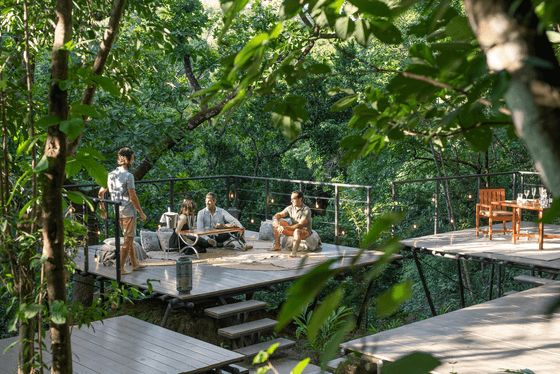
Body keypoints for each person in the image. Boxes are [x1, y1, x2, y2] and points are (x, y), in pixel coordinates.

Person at [99, 147, 147, 275]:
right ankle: (120, 268)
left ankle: (135, 263)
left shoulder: (111, 175)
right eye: (132, 158)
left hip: (117, 211)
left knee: (128, 239)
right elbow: (133, 197)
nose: (133, 161)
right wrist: (141, 213)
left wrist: (102, 208)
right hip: (128, 212)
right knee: (127, 240)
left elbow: (101, 192)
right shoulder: (128, 176)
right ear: (127, 160)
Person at [269, 190, 312, 257]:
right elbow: (278, 215)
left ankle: (294, 252)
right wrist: (278, 225)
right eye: (291, 199)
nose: (291, 201)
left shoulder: (306, 210)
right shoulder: (290, 208)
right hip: (292, 229)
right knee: (277, 223)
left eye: (294, 199)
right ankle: (277, 246)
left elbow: (300, 225)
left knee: (297, 230)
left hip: (304, 230)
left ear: (300, 199)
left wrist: (285, 228)